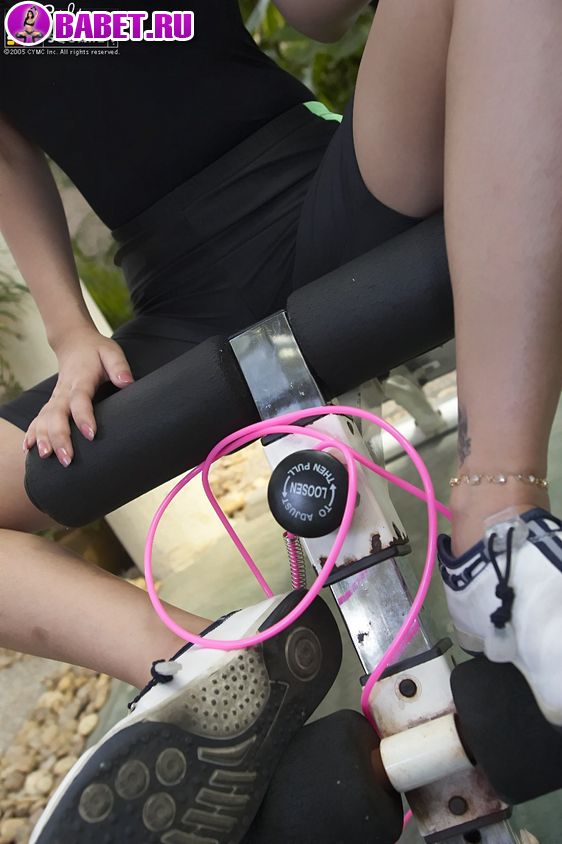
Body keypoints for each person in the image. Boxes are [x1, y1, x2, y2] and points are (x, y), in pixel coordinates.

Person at [0, 0, 560, 841]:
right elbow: (8, 150)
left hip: (328, 189)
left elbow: (318, 17)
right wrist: (72, 334)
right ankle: (210, 671)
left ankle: (498, 534)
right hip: (179, 300)